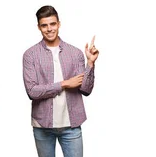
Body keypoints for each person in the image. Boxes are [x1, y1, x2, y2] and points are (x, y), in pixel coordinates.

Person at [22, 5, 99, 157]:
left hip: (72, 125)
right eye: (44, 25)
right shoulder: (30, 55)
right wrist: (64, 84)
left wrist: (90, 64)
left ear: (59, 24)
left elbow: (86, 90)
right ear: (39, 27)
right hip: (42, 124)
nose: (49, 29)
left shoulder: (75, 53)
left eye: (52, 24)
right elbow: (32, 92)